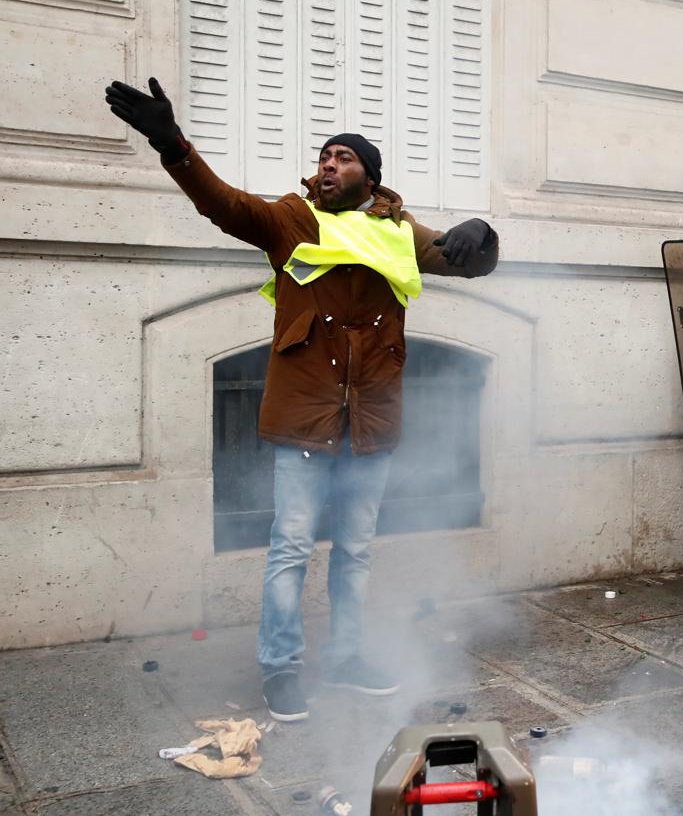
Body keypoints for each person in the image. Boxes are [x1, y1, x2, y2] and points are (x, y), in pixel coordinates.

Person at [104, 78, 500, 723]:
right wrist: (170, 143)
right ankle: (282, 668)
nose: (327, 163)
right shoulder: (291, 217)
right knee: (290, 548)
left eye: (343, 157)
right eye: (324, 154)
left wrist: (481, 235)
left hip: (371, 421)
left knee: (356, 550)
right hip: (304, 418)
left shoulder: (399, 230)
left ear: (370, 177)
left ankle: (346, 658)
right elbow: (223, 205)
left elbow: (466, 261)